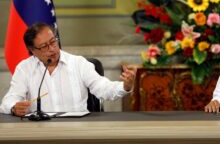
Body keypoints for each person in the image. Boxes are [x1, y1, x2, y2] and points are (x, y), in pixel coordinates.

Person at [0, 22, 137, 116]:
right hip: (39, 131)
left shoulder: (78, 63)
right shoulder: (25, 69)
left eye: (53, 41)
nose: (52, 49)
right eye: (44, 46)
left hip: (78, 131)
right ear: (32, 50)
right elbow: (8, 101)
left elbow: (103, 88)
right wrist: (14, 107)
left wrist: (125, 86)